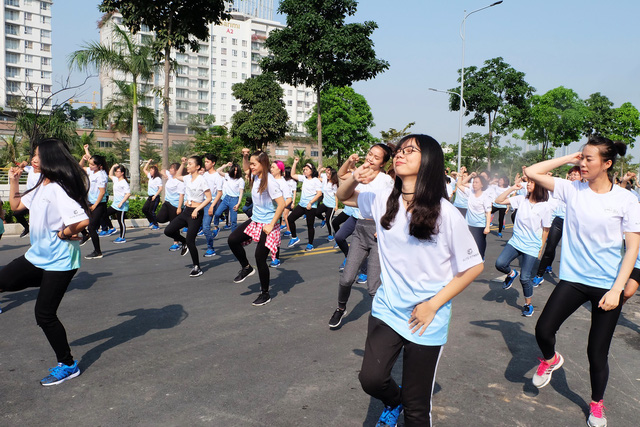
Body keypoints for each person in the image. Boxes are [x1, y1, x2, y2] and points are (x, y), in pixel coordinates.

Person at [337, 134, 483, 426]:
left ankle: (404, 405)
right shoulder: (383, 200)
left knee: (417, 409)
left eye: (410, 151)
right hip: (387, 309)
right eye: (399, 150)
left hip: (426, 317)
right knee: (371, 379)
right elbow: (343, 196)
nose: (400, 155)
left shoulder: (446, 214)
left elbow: (473, 266)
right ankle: (393, 400)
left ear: (427, 161)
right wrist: (354, 176)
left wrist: (433, 305)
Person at [525, 136, 640, 427]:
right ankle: (550, 359)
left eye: (590, 159)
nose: (583, 163)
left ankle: (596, 404)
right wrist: (569, 157)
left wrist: (618, 289)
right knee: (543, 329)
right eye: (582, 158)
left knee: (596, 351)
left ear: (608, 164)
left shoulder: (626, 200)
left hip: (607, 285)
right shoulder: (572, 189)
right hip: (574, 279)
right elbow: (532, 172)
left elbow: (633, 248)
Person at [0, 138, 90, 386]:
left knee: (44, 314)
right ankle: (48, 285)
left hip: (60, 261)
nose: (33, 159)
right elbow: (17, 205)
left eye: (38, 155)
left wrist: (63, 233)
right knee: (4, 279)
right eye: (33, 155)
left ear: (50, 158)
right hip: (38, 256)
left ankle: (68, 364)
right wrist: (14, 180)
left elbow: (82, 220)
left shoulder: (58, 188)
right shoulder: (42, 184)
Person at [329, 145, 394, 328]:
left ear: (383, 163)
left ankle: (383, 322)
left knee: (373, 286)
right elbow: (343, 187)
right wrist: (353, 171)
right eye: (369, 154)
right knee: (347, 278)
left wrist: (384, 225)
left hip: (377, 234)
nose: (371, 158)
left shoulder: (385, 181)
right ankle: (341, 309)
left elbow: (392, 206)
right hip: (360, 228)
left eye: (376, 157)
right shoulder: (360, 172)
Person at [229, 149, 285, 306]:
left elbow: (282, 204)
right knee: (233, 240)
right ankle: (246, 267)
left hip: (268, 224)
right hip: (256, 220)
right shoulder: (255, 176)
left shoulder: (271, 182)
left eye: (254, 164)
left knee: (260, 258)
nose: (251, 167)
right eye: (251, 163)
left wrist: (272, 224)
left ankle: (265, 293)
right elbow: (246, 167)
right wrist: (245, 156)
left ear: (263, 163)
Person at [494, 176, 552, 317]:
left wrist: (540, 248)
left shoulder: (545, 206)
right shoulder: (521, 200)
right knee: (500, 263)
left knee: (525, 278)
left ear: (539, 186)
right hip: (516, 241)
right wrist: (513, 188)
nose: (528, 184)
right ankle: (511, 273)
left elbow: (546, 229)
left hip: (532, 245)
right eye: (529, 182)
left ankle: (528, 304)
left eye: (532, 182)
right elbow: (498, 201)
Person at [531, 166, 581, 286]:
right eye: (571, 174)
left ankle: (574, 279)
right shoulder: (564, 186)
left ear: (582, 176)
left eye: (576, 174)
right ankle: (539, 275)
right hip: (559, 221)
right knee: (550, 247)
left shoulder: (585, 190)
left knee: (573, 251)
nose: (573, 176)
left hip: (574, 223)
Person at [164, 156, 212, 277]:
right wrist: (182, 163)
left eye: (190, 164)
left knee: (191, 241)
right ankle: (183, 242)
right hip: (187, 211)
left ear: (197, 167)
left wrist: (197, 209)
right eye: (188, 164)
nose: (188, 166)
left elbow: (209, 198)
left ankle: (197, 267)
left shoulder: (201, 180)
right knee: (168, 230)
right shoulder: (187, 178)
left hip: (196, 213)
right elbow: (176, 176)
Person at [286, 158, 323, 251]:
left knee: (310, 225)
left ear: (311, 170)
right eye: (304, 170)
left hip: (311, 206)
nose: (304, 171)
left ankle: (310, 244)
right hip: (302, 205)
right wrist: (295, 163)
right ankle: (294, 237)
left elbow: (319, 193)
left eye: (306, 169)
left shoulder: (316, 180)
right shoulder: (304, 178)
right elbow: (292, 174)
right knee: (290, 219)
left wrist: (311, 203)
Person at [79, 146, 109, 260]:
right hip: (89, 202)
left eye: (92, 165)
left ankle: (98, 251)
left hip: (99, 204)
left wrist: (95, 205)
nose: (90, 166)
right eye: (90, 164)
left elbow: (102, 192)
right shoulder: (93, 171)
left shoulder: (101, 175)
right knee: (78, 217)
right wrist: (85, 154)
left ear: (99, 166)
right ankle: (86, 235)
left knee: (92, 227)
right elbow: (80, 166)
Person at [456, 172, 492, 259]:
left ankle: (481, 257)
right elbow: (459, 185)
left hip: (480, 225)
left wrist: (487, 227)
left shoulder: (485, 197)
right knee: (467, 242)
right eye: (474, 182)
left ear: (482, 185)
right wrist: (461, 174)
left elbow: (488, 212)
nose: (474, 184)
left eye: (477, 182)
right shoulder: (470, 192)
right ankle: (469, 258)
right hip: (468, 223)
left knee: (479, 243)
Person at [269, 160, 293, 268]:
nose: (271, 169)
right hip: (266, 211)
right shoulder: (269, 179)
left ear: (279, 169)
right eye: (271, 167)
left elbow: (289, 199)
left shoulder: (283, 183)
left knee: (274, 236)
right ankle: (269, 252)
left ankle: (276, 258)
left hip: (275, 212)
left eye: (273, 167)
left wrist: (280, 208)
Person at [158, 163, 186, 251]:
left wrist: (179, 208)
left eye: (172, 168)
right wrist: (165, 174)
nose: (170, 170)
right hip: (167, 203)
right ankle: (183, 222)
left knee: (173, 224)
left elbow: (181, 195)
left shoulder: (180, 182)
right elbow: (162, 171)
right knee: (159, 218)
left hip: (175, 205)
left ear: (177, 171)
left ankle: (176, 243)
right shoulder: (170, 177)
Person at [201, 153, 224, 258]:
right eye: (205, 162)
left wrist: (212, 206)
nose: (205, 164)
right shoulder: (204, 175)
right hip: (200, 202)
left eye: (207, 162)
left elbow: (219, 192)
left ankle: (210, 248)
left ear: (213, 163)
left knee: (206, 227)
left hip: (210, 203)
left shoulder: (217, 177)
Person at [12, 159, 41, 238]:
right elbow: (20, 166)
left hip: (39, 202)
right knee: (16, 213)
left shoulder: (46, 174)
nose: (34, 160)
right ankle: (27, 228)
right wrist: (20, 165)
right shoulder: (31, 169)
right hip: (28, 201)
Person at [213, 162, 245, 233]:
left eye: (236, 170)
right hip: (226, 198)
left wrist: (238, 203)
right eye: (234, 170)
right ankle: (216, 226)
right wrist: (226, 165)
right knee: (217, 213)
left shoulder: (240, 180)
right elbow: (218, 170)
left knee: (233, 220)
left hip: (234, 199)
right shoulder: (227, 176)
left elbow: (241, 193)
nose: (235, 172)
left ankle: (233, 235)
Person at [106, 164, 131, 243]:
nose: (116, 173)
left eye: (117, 171)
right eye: (115, 171)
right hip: (115, 204)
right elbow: (110, 174)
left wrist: (121, 202)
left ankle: (122, 237)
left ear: (122, 173)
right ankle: (112, 228)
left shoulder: (124, 183)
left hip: (122, 205)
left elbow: (128, 194)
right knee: (104, 214)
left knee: (121, 221)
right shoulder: (116, 180)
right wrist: (113, 166)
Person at [316, 166, 339, 241]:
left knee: (329, 221)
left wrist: (336, 206)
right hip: (325, 203)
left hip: (331, 205)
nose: (328, 175)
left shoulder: (334, 184)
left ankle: (331, 235)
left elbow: (336, 196)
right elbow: (317, 178)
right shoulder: (325, 180)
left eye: (329, 174)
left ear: (332, 175)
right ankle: (323, 219)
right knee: (316, 212)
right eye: (327, 173)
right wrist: (320, 170)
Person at [141, 159, 163, 230]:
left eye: (151, 170)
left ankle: (156, 225)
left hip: (155, 197)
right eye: (150, 170)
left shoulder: (158, 179)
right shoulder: (150, 177)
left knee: (152, 211)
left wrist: (155, 195)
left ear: (155, 171)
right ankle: (151, 222)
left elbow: (160, 188)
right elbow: (144, 169)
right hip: (150, 197)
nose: (150, 171)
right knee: (144, 209)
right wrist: (148, 162)